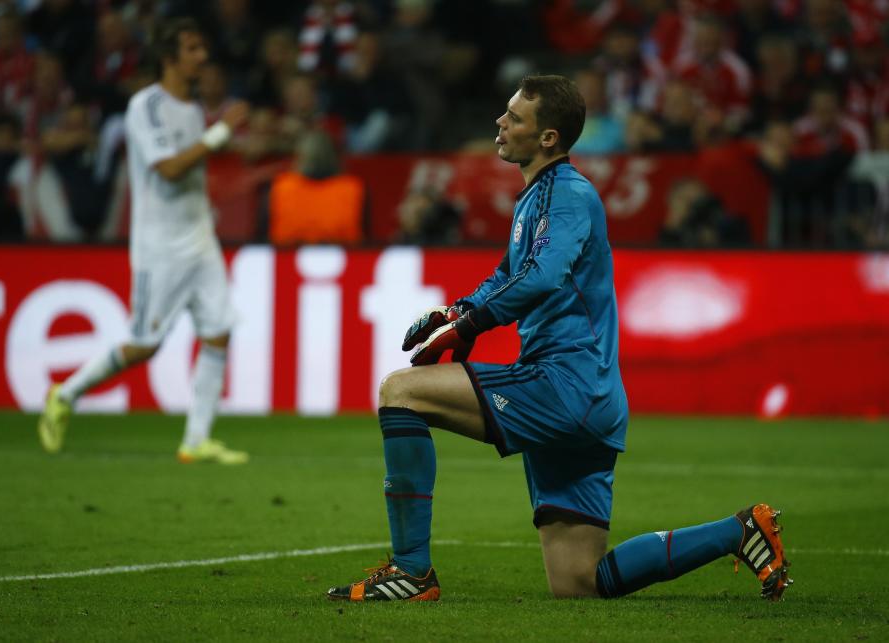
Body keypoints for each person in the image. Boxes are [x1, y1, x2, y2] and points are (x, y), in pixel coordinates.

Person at [326, 74, 792, 602]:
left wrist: (470, 325)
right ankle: (739, 531)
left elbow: (543, 274)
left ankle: (412, 573)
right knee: (579, 583)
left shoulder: (568, 194)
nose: (500, 123)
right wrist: (454, 312)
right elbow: (507, 274)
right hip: (590, 400)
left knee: (400, 392)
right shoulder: (538, 198)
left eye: (515, 117)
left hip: (565, 385)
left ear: (548, 137)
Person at [37, 18, 251, 465]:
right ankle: (65, 393)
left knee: (218, 332)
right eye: (192, 49)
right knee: (145, 344)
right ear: (169, 57)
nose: (201, 57)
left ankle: (195, 440)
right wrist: (222, 133)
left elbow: (190, 170)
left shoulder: (190, 108)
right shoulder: (146, 106)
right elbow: (169, 169)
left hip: (200, 239)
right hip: (162, 247)